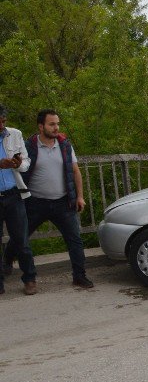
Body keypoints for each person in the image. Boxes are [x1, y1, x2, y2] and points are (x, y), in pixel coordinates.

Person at [3, 109, 92, 289]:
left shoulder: (65, 145)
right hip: (35, 202)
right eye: (52, 124)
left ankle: (79, 276)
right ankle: (6, 262)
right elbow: (21, 165)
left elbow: (75, 171)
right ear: (41, 126)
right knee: (20, 238)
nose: (56, 127)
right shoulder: (30, 145)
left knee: (74, 239)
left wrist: (80, 197)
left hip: (63, 202)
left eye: (57, 123)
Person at [0, 105, 36, 295]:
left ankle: (30, 279)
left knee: (22, 240)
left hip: (14, 194)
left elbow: (27, 162)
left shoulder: (15, 134)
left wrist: (19, 163)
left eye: (3, 121)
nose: (1, 125)